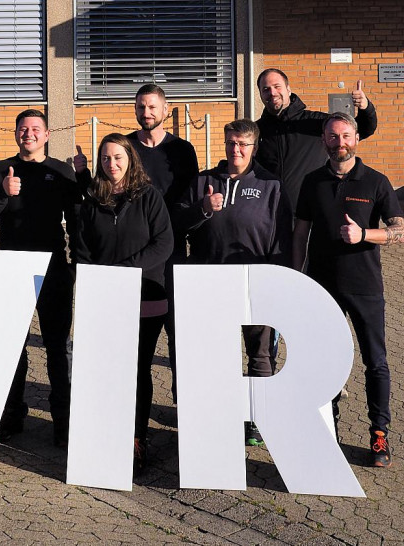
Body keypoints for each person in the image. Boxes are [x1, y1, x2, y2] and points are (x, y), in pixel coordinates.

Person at [74, 84, 199, 404]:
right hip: (124, 259)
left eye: (153, 107)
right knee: (128, 348)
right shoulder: (124, 146)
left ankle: (183, 406)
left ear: (165, 109)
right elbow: (102, 198)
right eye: (141, 107)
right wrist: (83, 175)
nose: (147, 113)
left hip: (168, 253)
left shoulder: (182, 150)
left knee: (178, 336)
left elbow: (190, 200)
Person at [293, 112, 403, 468]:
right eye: (332, 136)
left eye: (345, 136)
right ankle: (328, 430)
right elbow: (300, 233)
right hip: (322, 287)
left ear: (356, 138)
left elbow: (399, 230)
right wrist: (297, 275)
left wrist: (365, 235)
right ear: (323, 141)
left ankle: (379, 433)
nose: (339, 142)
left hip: (365, 286)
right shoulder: (312, 182)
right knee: (325, 362)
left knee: (376, 362)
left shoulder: (376, 181)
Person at [175, 118, 291, 446]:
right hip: (210, 283)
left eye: (242, 144)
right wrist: (203, 208)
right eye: (230, 143)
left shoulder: (272, 185)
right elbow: (176, 223)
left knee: (260, 354)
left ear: (254, 148)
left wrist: (277, 279)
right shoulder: (203, 182)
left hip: (256, 281)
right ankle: (222, 413)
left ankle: (257, 420)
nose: (235, 150)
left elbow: (282, 237)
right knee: (216, 355)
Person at [0, 109, 81, 447]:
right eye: (23, 129)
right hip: (11, 270)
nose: (29, 134)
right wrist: (3, 192)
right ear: (16, 133)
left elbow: (78, 220)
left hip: (53, 270)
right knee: (13, 350)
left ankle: (63, 422)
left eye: (35, 129)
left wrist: (76, 264)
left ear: (47, 134)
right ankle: (11, 417)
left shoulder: (61, 172)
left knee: (57, 348)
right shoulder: (1, 169)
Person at [76, 133, 173, 474]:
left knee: (137, 369)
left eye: (118, 157)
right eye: (105, 158)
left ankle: (136, 438)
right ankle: (106, 434)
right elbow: (82, 247)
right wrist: (94, 278)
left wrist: (123, 271)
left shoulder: (148, 196)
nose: (111, 164)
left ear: (130, 159)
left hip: (146, 296)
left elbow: (164, 243)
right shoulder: (92, 199)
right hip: (105, 299)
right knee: (108, 369)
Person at [256, 69, 377, 211]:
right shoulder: (256, 130)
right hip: (269, 213)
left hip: (311, 213)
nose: (272, 93)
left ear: (288, 89)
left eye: (277, 86)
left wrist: (365, 108)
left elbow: (363, 129)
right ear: (260, 95)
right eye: (266, 89)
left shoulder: (315, 122)